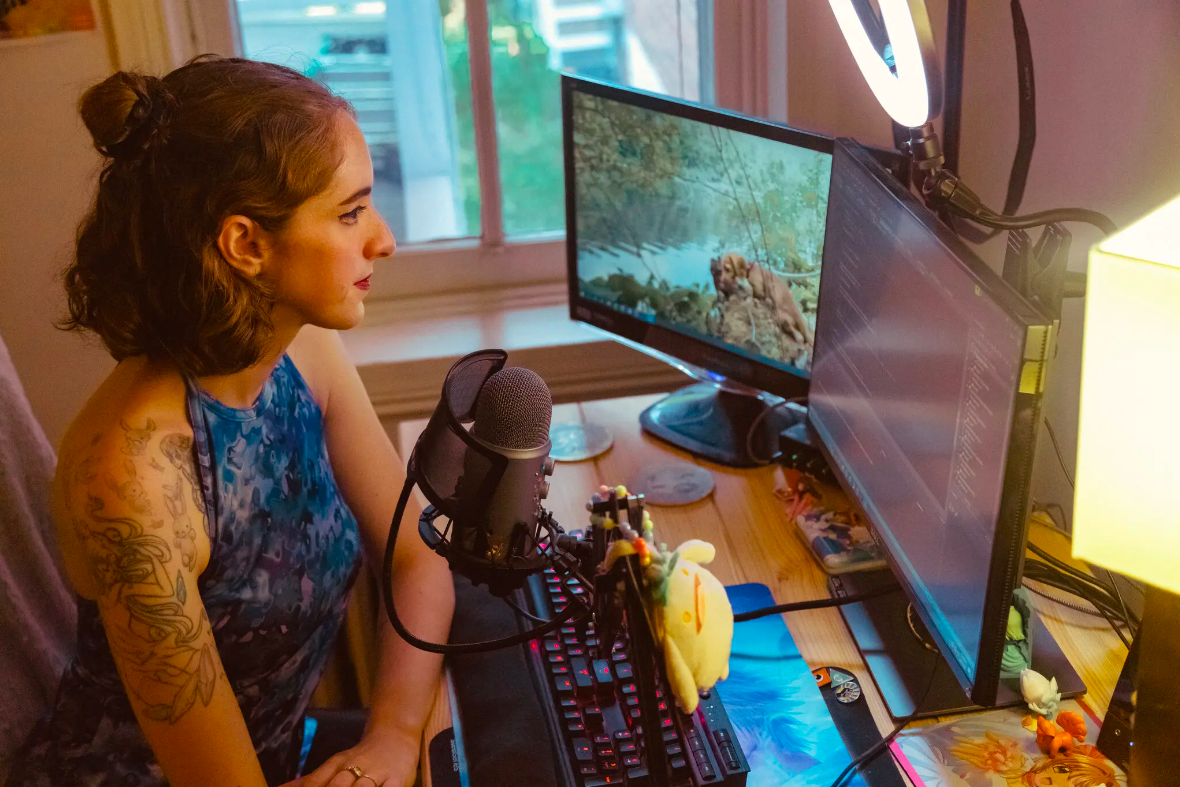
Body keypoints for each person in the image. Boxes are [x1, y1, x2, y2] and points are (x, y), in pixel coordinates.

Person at [6, 55, 455, 787]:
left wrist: (397, 735)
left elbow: (418, 553)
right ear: (246, 244)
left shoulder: (305, 352)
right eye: (350, 213)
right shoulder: (132, 477)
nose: (383, 239)